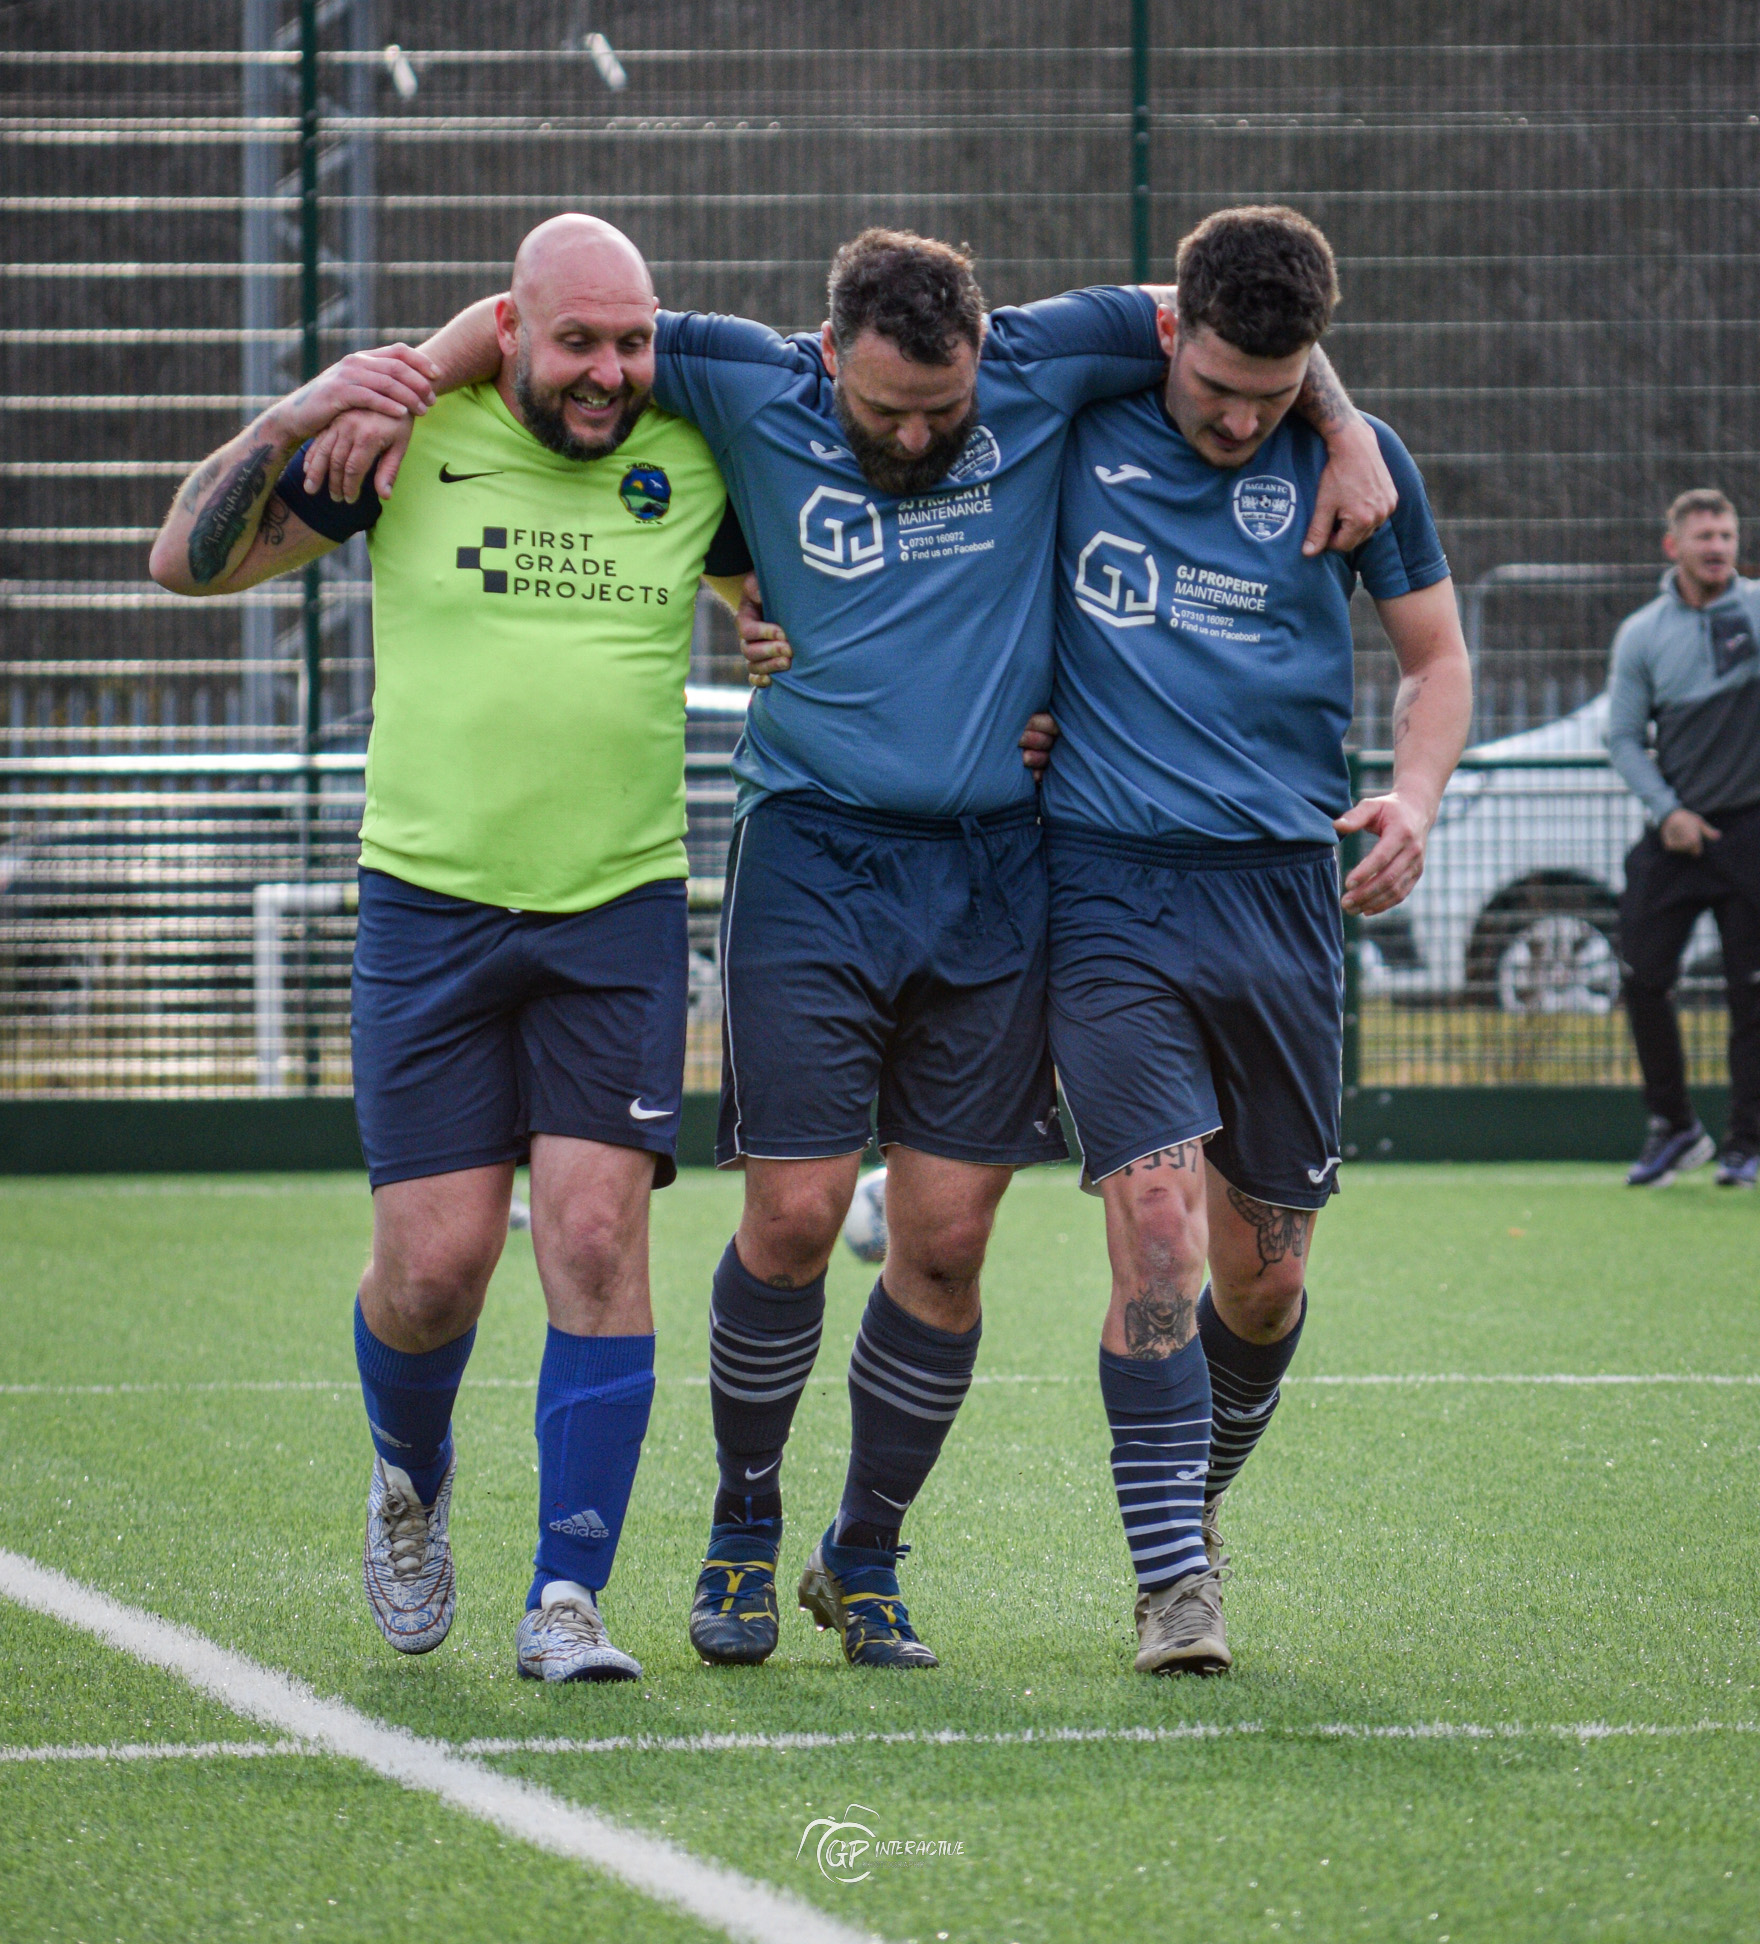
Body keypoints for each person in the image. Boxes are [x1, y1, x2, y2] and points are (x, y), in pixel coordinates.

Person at [311, 228, 1397, 1673]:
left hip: (999, 869)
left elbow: (1224, 317)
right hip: (814, 855)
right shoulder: (732, 377)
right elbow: (544, 318)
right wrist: (409, 382)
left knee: (945, 1241)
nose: (914, 436)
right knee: (796, 1220)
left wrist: (1344, 425)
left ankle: (865, 1555)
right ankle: (741, 1535)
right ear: (826, 360)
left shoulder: (1044, 358)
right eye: (883, 410)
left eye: (941, 416)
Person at [148, 217, 751, 1683]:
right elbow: (187, 559)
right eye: (578, 342)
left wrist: (784, 625)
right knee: (434, 1270)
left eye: (632, 340)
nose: (609, 371)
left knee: (598, 1243)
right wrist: (298, 412)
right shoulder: (399, 444)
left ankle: (568, 1599)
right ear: (512, 327)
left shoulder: (702, 459)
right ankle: (408, 1480)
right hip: (428, 908)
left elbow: (824, 589)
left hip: (616, 912)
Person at [1038, 206, 1470, 1673]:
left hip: (1283, 902)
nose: (1237, 421)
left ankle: (1187, 1500)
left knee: (1265, 1276)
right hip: (1104, 888)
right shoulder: (1083, 409)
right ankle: (1173, 1587)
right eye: (1216, 388)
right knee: (1154, 1230)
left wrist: (1411, 800)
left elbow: (1437, 659)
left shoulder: (1360, 462)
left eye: (1274, 400)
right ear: (1173, 335)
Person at [1606, 489, 1760, 1188]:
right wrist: (1668, 811)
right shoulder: (1643, 634)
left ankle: (1747, 1143)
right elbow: (1623, 738)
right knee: (1640, 977)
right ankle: (1675, 1126)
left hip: (1752, 829)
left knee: (1750, 992)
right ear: (1674, 547)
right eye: (1704, 536)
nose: (1718, 547)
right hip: (1676, 832)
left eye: (1726, 535)